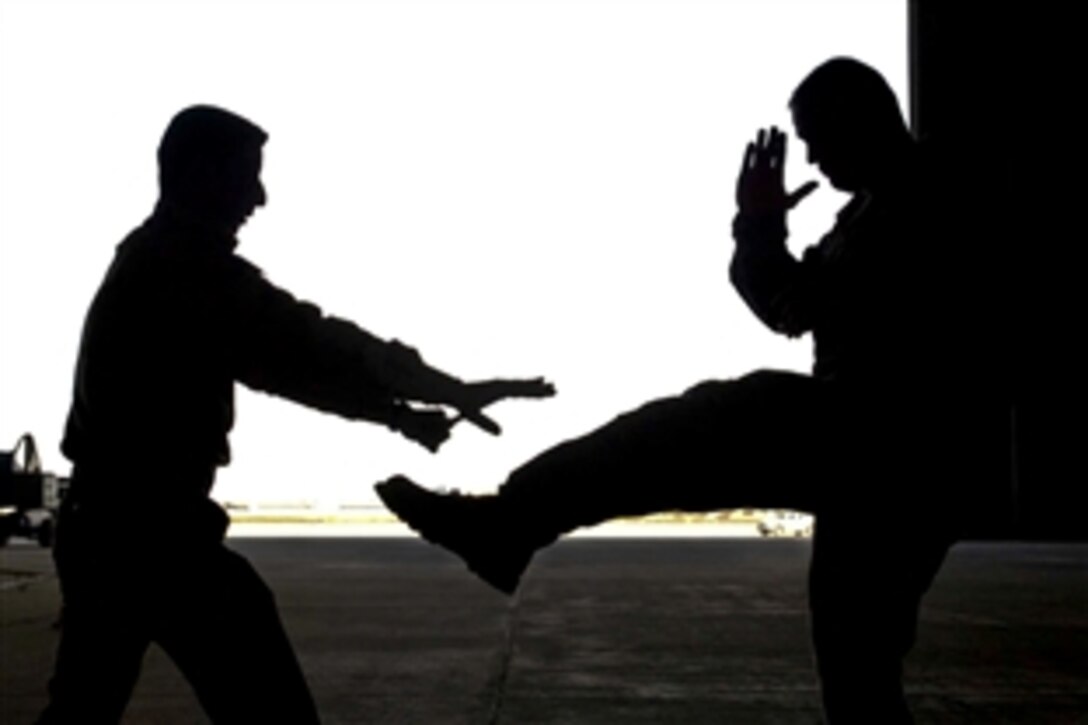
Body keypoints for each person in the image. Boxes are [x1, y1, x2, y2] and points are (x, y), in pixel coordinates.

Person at [375, 58, 1004, 723]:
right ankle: (509, 524)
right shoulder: (871, 214)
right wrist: (758, 226)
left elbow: (817, 305)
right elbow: (791, 307)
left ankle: (509, 523)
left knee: (699, 426)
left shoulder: (938, 194)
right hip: (875, 460)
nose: (814, 160)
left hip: (894, 442)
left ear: (859, 117)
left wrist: (765, 234)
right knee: (856, 661)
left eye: (818, 136)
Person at [37, 105, 555, 725]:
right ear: (201, 174)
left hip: (111, 530)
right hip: (150, 537)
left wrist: (399, 413)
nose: (259, 196)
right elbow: (307, 344)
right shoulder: (184, 275)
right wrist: (442, 390)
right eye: (246, 175)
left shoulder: (157, 264)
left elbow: (290, 364)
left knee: (82, 710)